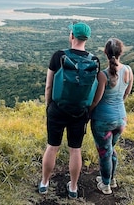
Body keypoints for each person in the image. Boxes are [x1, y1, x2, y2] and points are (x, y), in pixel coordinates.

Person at [39, 22, 94, 199]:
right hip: (79, 111)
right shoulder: (94, 61)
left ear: (72, 36)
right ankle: (73, 187)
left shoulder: (58, 56)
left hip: (58, 109)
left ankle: (44, 183)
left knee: (52, 146)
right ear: (87, 38)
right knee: (75, 149)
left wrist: (49, 106)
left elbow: (49, 86)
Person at [89, 38, 133, 195]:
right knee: (110, 149)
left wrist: (87, 113)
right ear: (121, 52)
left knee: (105, 153)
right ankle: (111, 179)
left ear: (105, 53)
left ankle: (106, 184)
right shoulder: (128, 70)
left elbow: (96, 100)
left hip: (103, 121)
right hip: (121, 119)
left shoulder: (103, 75)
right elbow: (126, 94)